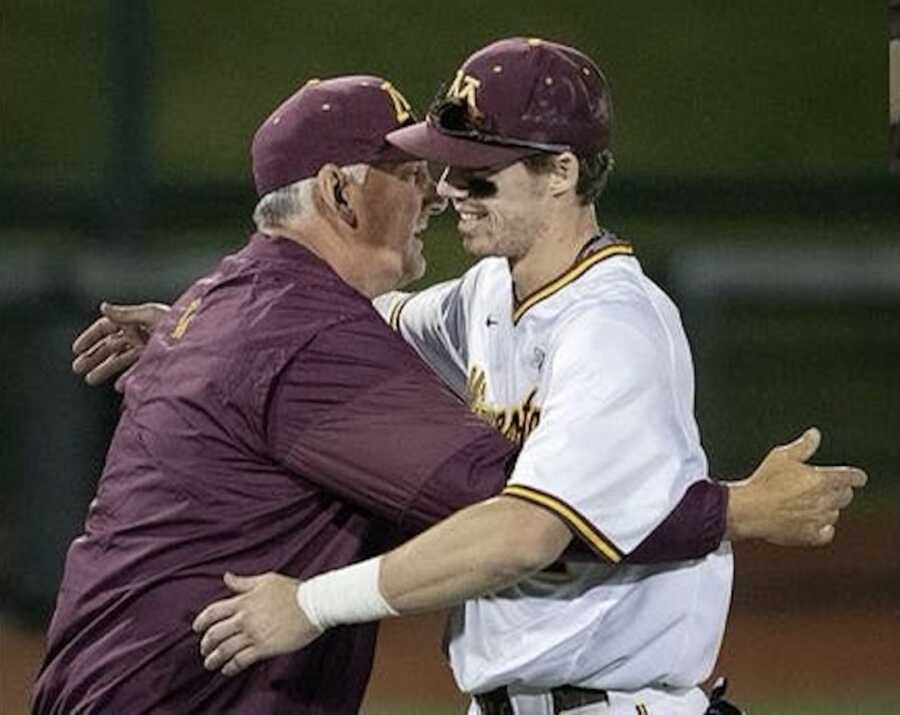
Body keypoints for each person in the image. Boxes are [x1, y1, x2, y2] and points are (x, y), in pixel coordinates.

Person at [40, 72, 804, 715]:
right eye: (414, 173)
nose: (440, 193)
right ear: (341, 193)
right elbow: (518, 512)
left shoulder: (237, 308)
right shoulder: (303, 336)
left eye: (472, 171)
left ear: (564, 173)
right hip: (177, 691)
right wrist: (731, 509)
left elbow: (357, 340)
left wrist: (186, 327)